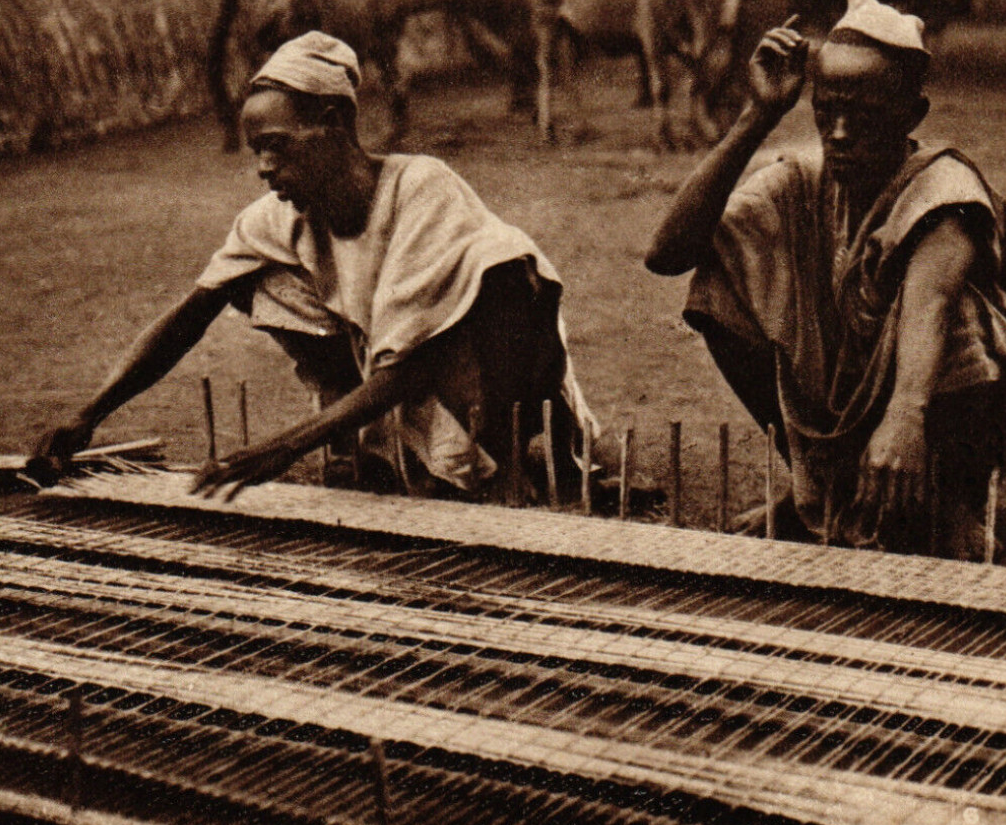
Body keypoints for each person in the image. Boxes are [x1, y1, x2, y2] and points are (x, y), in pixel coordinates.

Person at [30, 31, 596, 500]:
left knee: (498, 271)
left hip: (496, 368)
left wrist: (282, 447)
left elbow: (414, 365)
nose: (264, 168)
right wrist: (89, 415)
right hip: (391, 367)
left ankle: (507, 460)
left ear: (334, 123)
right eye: (257, 152)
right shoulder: (276, 220)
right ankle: (367, 450)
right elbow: (189, 315)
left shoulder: (423, 187)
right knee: (263, 282)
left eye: (278, 145)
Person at [645, 0, 1006, 559]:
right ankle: (819, 488)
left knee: (959, 322)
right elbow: (667, 255)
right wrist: (758, 115)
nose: (839, 133)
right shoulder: (802, 181)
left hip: (935, 403)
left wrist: (905, 420)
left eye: (863, 116)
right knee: (718, 286)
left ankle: (956, 504)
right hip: (851, 413)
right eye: (826, 112)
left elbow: (932, 305)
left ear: (911, 115)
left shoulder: (943, 187)